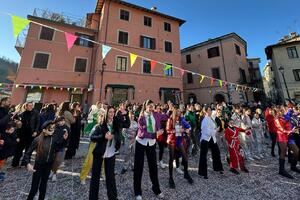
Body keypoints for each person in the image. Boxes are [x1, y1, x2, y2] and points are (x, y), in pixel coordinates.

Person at [89, 106, 129, 200]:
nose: (112, 114)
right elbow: (92, 137)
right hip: (99, 153)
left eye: (113, 112)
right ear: (106, 113)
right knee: (95, 177)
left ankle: (113, 197)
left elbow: (127, 124)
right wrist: (103, 137)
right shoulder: (100, 125)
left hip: (111, 154)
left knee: (110, 177)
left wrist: (126, 114)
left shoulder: (116, 124)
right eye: (110, 112)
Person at [23, 120, 68, 200]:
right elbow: (27, 153)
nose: (52, 130)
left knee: (43, 187)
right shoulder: (37, 140)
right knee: (34, 188)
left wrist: (64, 140)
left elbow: (58, 147)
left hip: (48, 165)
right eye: (50, 129)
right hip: (38, 165)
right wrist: (28, 164)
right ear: (44, 130)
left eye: (53, 128)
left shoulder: (54, 138)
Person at [134, 100, 166, 200]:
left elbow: (166, 116)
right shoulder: (141, 117)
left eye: (152, 106)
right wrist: (156, 134)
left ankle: (156, 189)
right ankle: (137, 192)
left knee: (153, 167)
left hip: (151, 144)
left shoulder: (156, 114)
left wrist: (172, 110)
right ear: (145, 106)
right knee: (139, 167)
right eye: (149, 106)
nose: (151, 108)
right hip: (141, 143)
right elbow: (143, 133)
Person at [166, 107, 193, 189]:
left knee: (185, 157)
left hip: (179, 139)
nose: (179, 113)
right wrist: (175, 131)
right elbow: (167, 130)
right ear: (174, 112)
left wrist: (187, 129)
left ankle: (186, 173)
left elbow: (188, 127)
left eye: (179, 112)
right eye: (177, 112)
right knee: (171, 159)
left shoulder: (182, 119)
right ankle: (170, 178)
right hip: (172, 140)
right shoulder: (170, 119)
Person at [198, 106, 224, 179]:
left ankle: (218, 168)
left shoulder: (211, 118)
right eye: (209, 110)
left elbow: (214, 124)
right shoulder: (205, 120)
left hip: (212, 138)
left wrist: (216, 129)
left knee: (216, 152)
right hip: (205, 139)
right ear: (205, 111)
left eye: (210, 110)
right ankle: (203, 172)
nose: (211, 111)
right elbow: (206, 132)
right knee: (203, 156)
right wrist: (215, 130)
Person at [12, 102, 40, 167]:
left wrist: (36, 131)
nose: (31, 107)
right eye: (29, 106)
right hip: (22, 133)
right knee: (19, 149)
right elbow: (17, 123)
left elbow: (38, 123)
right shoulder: (22, 113)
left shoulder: (36, 113)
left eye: (32, 106)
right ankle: (15, 163)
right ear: (26, 106)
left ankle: (25, 163)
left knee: (28, 150)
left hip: (31, 133)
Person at [274, 108, 297, 179]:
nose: (282, 112)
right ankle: (281, 170)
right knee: (283, 153)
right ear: (277, 112)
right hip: (282, 137)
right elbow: (281, 129)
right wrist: (290, 131)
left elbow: (289, 124)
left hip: (289, 136)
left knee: (296, 151)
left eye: (283, 110)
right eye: (280, 111)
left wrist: (293, 130)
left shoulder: (285, 116)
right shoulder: (276, 119)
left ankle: (293, 167)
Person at [49, 116, 70, 182]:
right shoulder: (54, 127)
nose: (61, 122)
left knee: (57, 161)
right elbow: (53, 137)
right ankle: (52, 171)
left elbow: (68, 138)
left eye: (63, 121)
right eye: (60, 121)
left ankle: (54, 173)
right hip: (54, 146)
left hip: (61, 146)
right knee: (52, 160)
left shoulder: (67, 128)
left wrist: (66, 145)